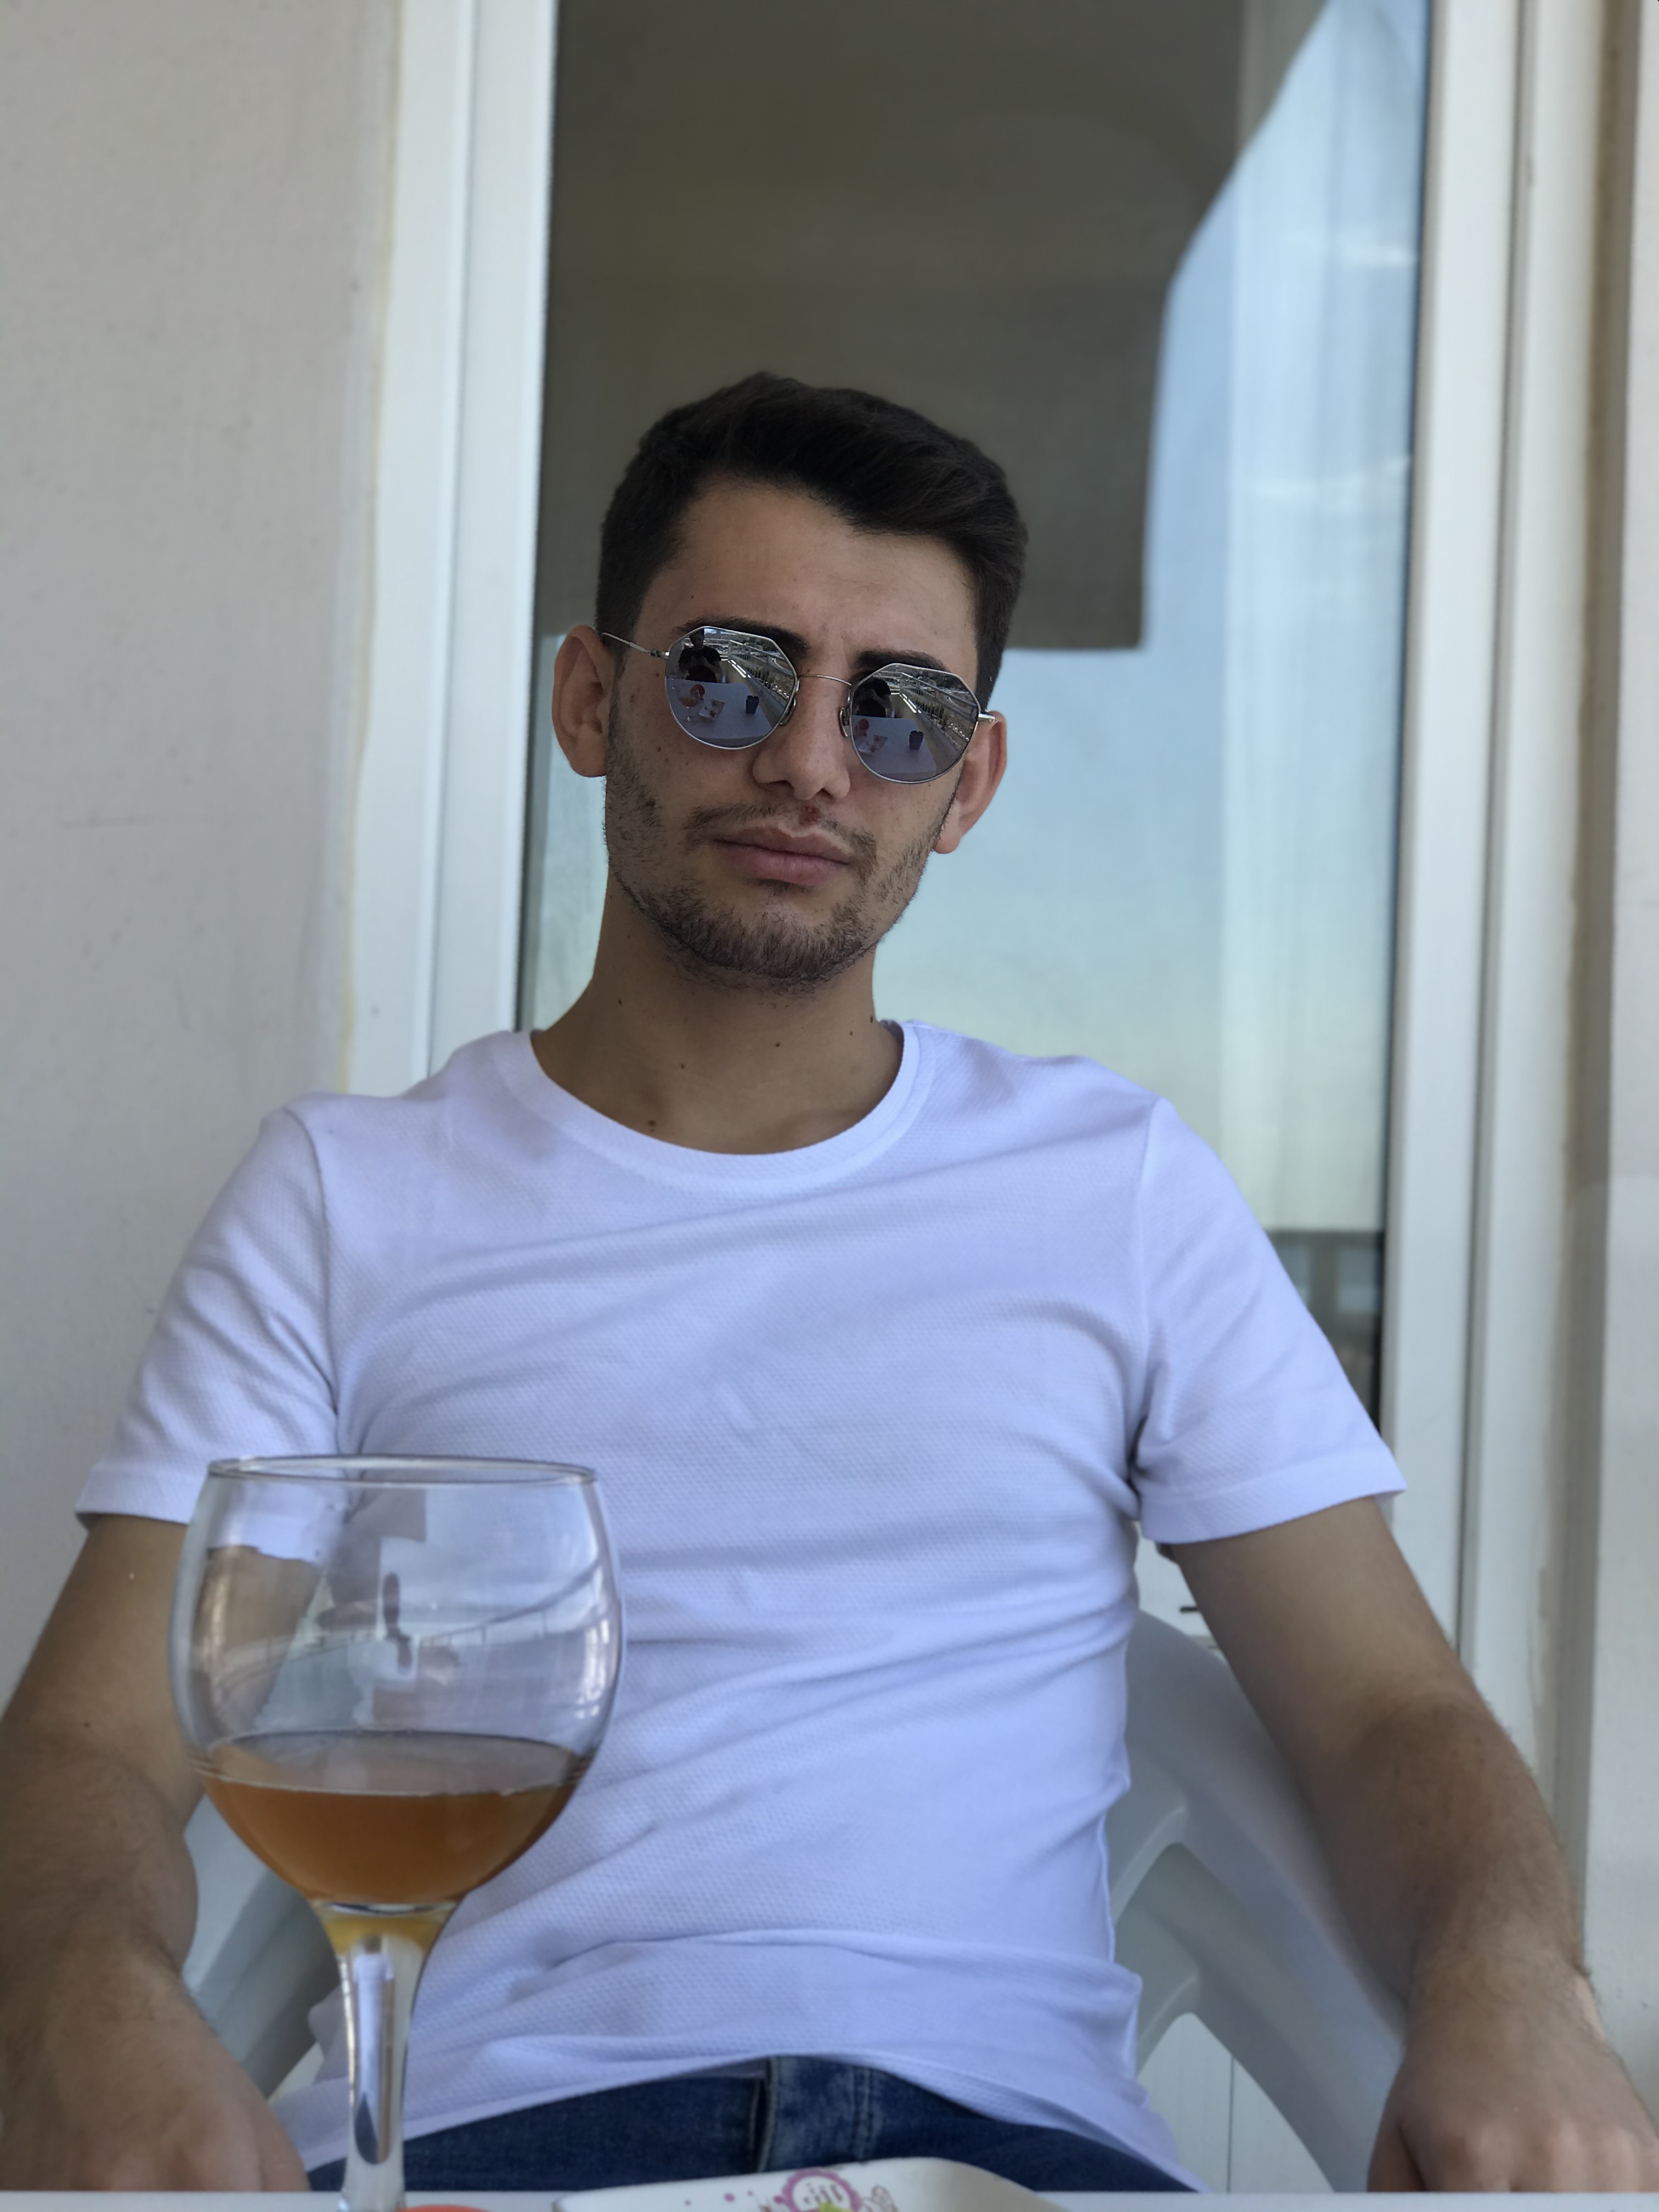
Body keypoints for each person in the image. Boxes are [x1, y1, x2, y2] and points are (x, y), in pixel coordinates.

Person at [1, 373, 1655, 2197]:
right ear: (589, 700)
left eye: (899, 710)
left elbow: (1387, 1716)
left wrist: (1520, 1981)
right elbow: (95, 1741)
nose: (809, 761)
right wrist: (84, 1993)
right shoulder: (343, 1198)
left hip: (995, 2164)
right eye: (731, 673)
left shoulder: (1113, 1188)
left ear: (967, 785)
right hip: (490, 2153)